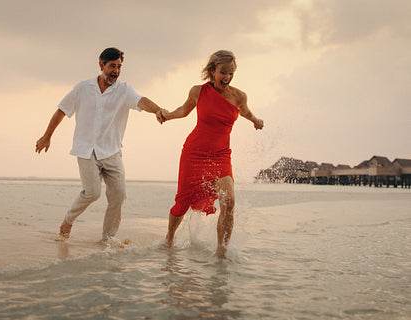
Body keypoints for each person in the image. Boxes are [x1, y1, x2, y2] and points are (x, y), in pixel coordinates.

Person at [35, 47, 165, 242]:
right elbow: (62, 110)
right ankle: (68, 220)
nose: (116, 71)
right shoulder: (82, 88)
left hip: (112, 152)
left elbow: (141, 101)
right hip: (86, 150)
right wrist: (47, 136)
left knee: (119, 196)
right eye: (112, 66)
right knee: (93, 192)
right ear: (101, 65)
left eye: (119, 67)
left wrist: (157, 110)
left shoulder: (124, 90)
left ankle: (108, 240)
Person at [161, 50, 264, 258]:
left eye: (231, 73)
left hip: (221, 156)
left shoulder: (239, 96)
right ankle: (169, 239)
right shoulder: (198, 91)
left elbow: (246, 112)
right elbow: (183, 110)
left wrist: (255, 120)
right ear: (212, 71)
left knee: (229, 200)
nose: (227, 77)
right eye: (223, 72)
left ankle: (221, 252)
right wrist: (168, 116)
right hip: (194, 153)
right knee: (182, 202)